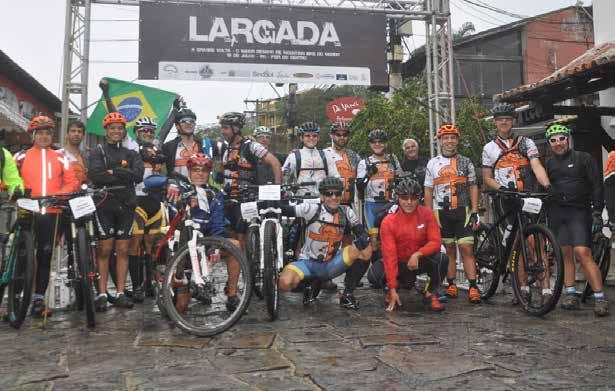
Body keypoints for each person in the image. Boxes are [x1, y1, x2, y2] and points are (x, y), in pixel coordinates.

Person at [482, 102, 552, 303]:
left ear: (513, 121)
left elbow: (536, 165)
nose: (504, 122)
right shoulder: (489, 148)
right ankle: (522, 288)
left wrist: (547, 186)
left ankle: (546, 289)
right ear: (495, 123)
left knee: (536, 241)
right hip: (506, 199)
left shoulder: (526, 142)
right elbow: (487, 177)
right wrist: (501, 189)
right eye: (500, 119)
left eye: (507, 119)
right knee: (515, 244)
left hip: (528, 196)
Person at [14, 115, 79, 317]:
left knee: (45, 254)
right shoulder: (20, 157)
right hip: (27, 208)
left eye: (47, 133)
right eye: (40, 133)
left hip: (52, 211)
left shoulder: (61, 157)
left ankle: (38, 299)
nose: (44, 136)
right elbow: (7, 179)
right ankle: (15, 299)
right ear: (33, 135)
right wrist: (15, 190)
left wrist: (59, 195)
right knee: (22, 256)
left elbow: (72, 183)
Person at [277, 176, 372, 309]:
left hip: (331, 265)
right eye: (329, 194)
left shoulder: (346, 212)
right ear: (322, 196)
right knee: (284, 283)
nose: (334, 197)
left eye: (337, 193)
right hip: (308, 263)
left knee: (364, 250)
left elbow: (362, 233)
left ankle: (347, 294)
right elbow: (285, 209)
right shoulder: (312, 209)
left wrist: (366, 239)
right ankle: (310, 285)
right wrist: (266, 203)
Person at [219, 111, 281, 310]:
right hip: (227, 200)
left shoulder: (251, 145)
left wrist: (277, 188)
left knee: (242, 242)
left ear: (236, 129)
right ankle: (233, 286)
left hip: (246, 200)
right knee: (231, 246)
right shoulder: (224, 148)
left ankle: (238, 288)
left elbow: (274, 163)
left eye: (226, 128)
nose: (223, 131)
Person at [545, 124, 608, 317]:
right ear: (549, 144)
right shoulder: (547, 164)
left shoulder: (583, 158)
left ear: (568, 139)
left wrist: (597, 211)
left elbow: (597, 185)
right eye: (553, 140)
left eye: (561, 138)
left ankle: (600, 297)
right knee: (564, 254)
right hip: (557, 213)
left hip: (579, 211)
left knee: (583, 252)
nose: (558, 143)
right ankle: (570, 293)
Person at [88, 112, 144, 311]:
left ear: (124, 131)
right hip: (104, 203)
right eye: (112, 128)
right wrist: (123, 175)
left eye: (120, 128)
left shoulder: (131, 153)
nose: (116, 131)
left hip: (126, 203)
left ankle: (120, 293)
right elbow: (95, 175)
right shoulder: (98, 151)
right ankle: (102, 294)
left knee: (122, 250)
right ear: (106, 131)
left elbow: (138, 176)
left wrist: (114, 172)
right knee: (104, 249)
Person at [173, 153, 242, 312]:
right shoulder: (180, 189)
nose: (200, 173)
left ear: (208, 173)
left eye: (204, 170)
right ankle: (182, 287)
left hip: (206, 241)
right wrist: (170, 182)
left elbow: (218, 222)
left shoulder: (215, 193)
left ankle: (231, 295)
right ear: (189, 172)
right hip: (183, 245)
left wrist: (216, 246)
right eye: (196, 170)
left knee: (235, 245)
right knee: (181, 306)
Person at [424, 124, 481, 303]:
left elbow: (473, 186)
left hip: (462, 210)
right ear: (440, 141)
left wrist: (474, 210)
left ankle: (473, 286)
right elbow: (428, 190)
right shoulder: (432, 163)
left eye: (452, 137)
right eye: (445, 138)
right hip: (441, 212)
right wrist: (427, 215)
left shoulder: (466, 161)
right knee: (448, 249)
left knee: (466, 248)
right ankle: (451, 284)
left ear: (457, 140)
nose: (449, 141)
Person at [379, 178, 448, 312]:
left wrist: (418, 254)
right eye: (404, 198)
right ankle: (391, 289)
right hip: (401, 263)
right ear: (397, 198)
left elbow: (435, 241)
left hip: (418, 260)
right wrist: (392, 288)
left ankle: (430, 294)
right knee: (406, 283)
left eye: (413, 198)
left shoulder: (427, 214)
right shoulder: (388, 222)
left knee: (442, 259)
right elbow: (389, 256)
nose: (409, 202)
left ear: (419, 198)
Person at [128, 116, 167, 303]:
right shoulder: (132, 146)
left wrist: (175, 111)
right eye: (145, 130)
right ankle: (136, 286)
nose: (149, 133)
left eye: (151, 131)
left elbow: (166, 129)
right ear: (136, 133)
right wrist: (106, 93)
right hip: (137, 200)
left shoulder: (157, 147)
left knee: (150, 246)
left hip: (154, 201)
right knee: (135, 245)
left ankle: (150, 283)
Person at [282, 122, 331, 197]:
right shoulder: (294, 156)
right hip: (301, 200)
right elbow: (284, 177)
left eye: (314, 136)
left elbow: (334, 176)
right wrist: (289, 193)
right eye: (307, 136)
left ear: (318, 138)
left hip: (322, 200)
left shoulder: (326, 155)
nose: (311, 138)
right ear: (301, 138)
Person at [162, 107, 202, 179]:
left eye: (191, 121)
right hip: (178, 188)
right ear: (177, 126)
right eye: (184, 121)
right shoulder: (168, 147)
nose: (188, 123)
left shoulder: (203, 144)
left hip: (200, 188)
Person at [58, 120, 88, 185]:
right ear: (67, 134)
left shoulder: (86, 157)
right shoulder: (57, 155)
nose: (76, 134)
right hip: (61, 194)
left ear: (83, 137)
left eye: (79, 131)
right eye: (73, 131)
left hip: (82, 194)